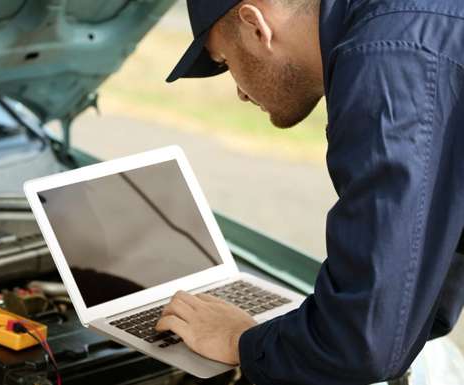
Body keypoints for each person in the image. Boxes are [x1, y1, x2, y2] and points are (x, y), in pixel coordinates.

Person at [155, 0, 464, 384]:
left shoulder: (387, 60)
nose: (239, 93)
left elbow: (361, 342)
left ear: (256, 27)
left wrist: (239, 340)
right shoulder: (401, 24)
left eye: (224, 62)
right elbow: (421, 279)